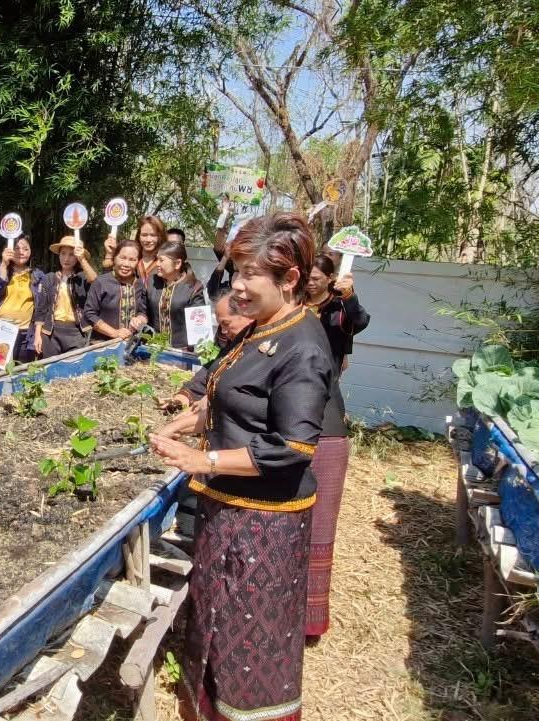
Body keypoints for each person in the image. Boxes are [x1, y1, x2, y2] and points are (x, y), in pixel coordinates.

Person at [149, 213, 332, 721]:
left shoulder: (303, 347)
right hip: (229, 510)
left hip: (263, 525)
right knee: (218, 623)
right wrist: (191, 421)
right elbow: (242, 396)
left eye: (251, 274)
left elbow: (292, 447)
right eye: (236, 272)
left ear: (289, 279)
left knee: (250, 642)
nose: (239, 287)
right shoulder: (264, 329)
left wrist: (202, 458)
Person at [301, 253, 371, 638]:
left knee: (321, 521)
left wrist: (350, 296)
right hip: (293, 409)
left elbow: (357, 323)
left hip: (326, 411)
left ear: (330, 279)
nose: (311, 283)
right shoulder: (291, 306)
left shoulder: (337, 309)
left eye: (316, 277)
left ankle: (311, 618)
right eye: (306, 277)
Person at [167, 288, 252, 409]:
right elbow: (214, 366)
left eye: (226, 323)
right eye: (220, 325)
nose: (223, 331)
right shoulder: (228, 338)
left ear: (247, 315)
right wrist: (186, 395)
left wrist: (213, 400)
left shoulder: (266, 346)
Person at [33, 235, 97, 359]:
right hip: (51, 332)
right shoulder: (49, 278)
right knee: (49, 370)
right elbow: (41, 309)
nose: (66, 258)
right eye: (63, 253)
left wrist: (82, 259)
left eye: (71, 254)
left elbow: (95, 282)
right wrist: (37, 335)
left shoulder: (82, 278)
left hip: (76, 332)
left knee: (73, 372)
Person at [0, 234, 44, 362]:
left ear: (31, 252)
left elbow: (41, 307)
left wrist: (38, 334)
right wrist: (3, 265)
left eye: (25, 249)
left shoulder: (37, 275)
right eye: (16, 248)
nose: (21, 252)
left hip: (25, 333)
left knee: (21, 371)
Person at [144, 241, 205, 349]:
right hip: (151, 348)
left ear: (177, 264)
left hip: (180, 352)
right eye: (157, 259)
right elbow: (142, 307)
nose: (157, 264)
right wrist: (140, 316)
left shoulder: (194, 288)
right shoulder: (151, 281)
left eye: (161, 260)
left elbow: (199, 326)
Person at [84, 239, 146, 342]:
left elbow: (143, 310)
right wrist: (114, 333)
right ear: (114, 258)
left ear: (138, 262)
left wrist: (140, 319)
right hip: (102, 344)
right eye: (122, 258)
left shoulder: (140, 284)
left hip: (132, 344)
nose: (126, 264)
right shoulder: (101, 282)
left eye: (132, 260)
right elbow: (89, 313)